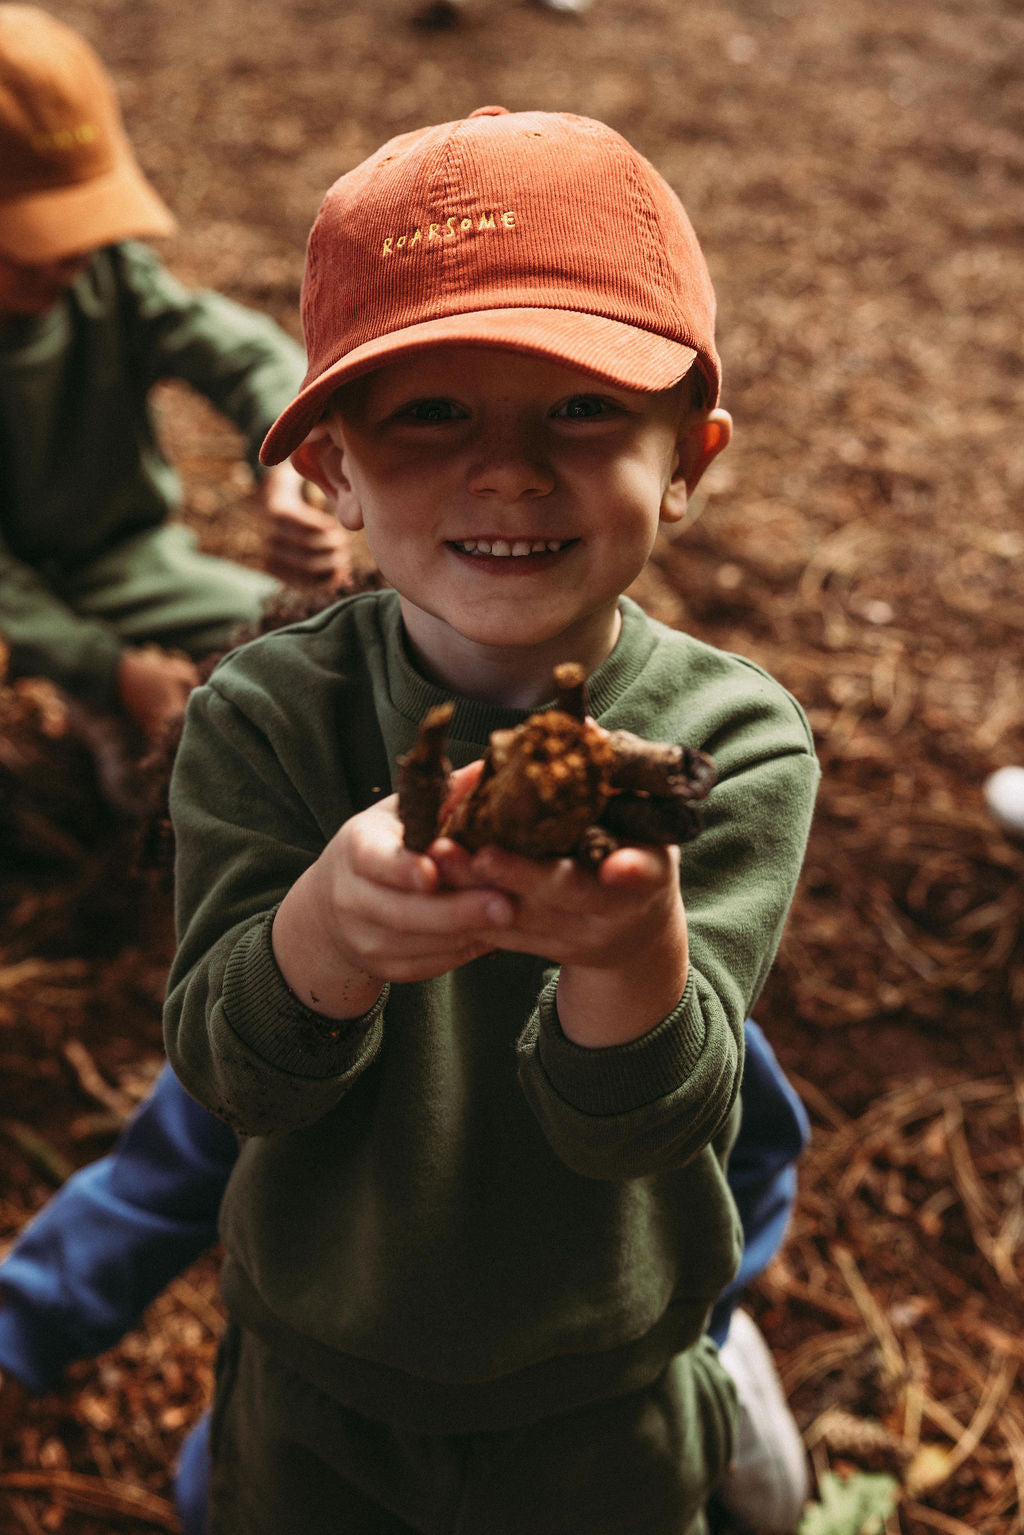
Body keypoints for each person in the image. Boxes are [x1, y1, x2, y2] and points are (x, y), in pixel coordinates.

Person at [157, 105, 821, 1535]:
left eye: (582, 407)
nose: (509, 467)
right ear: (330, 464)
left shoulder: (733, 744)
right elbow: (232, 1076)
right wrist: (326, 930)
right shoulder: (260, 718)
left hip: (603, 1382)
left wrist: (623, 952)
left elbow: (650, 1125)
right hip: (315, 1370)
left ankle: (733, 1390)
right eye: (431, 411)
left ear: (690, 455)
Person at [0, 3, 349, 747]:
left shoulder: (107, 275)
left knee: (316, 648)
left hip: (123, 568)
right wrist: (112, 672)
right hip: (11, 602)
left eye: (81, 234)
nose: (67, 261)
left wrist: (288, 459)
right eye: (34, 245)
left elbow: (242, 352)